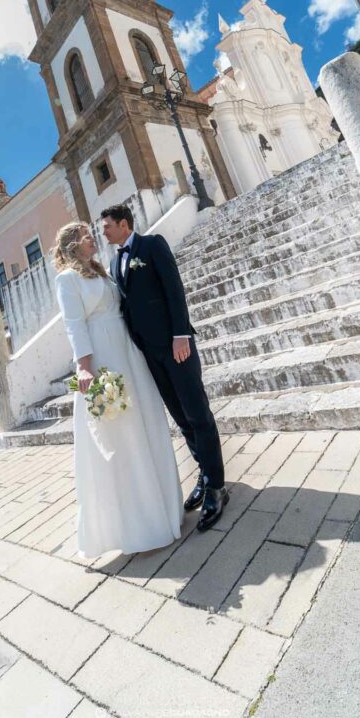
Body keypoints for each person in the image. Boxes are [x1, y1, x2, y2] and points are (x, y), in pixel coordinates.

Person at [53, 221, 184, 558]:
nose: (92, 237)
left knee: (145, 422)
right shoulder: (67, 279)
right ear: (72, 245)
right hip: (103, 354)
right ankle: (136, 524)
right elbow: (73, 324)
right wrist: (84, 366)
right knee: (121, 435)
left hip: (127, 351)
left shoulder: (102, 272)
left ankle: (163, 509)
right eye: (84, 235)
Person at [101, 203, 228, 532]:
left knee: (198, 413)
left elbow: (174, 289)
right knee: (181, 417)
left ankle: (217, 486)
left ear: (124, 224)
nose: (104, 232)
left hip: (176, 346)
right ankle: (204, 473)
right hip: (150, 354)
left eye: (108, 226)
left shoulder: (152, 245)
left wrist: (181, 334)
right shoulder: (116, 262)